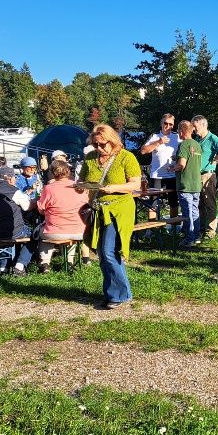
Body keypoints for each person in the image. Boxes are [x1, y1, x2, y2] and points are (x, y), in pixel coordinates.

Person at [79, 124, 142, 309]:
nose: (99, 148)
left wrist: (114, 188)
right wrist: (80, 186)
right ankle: (115, 292)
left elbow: (135, 184)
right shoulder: (90, 157)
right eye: (95, 144)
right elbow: (81, 179)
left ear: (112, 141)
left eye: (102, 144)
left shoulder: (126, 157)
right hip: (98, 209)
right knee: (102, 252)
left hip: (119, 210)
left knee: (108, 251)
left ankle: (118, 295)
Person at [0, 166, 36, 276]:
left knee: (4, 229)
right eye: (14, 177)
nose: (15, 180)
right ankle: (20, 265)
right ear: (8, 178)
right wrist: (35, 201)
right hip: (10, 231)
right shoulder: (13, 190)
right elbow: (27, 207)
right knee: (34, 236)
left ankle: (4, 267)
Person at [36, 160, 88, 272]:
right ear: (68, 171)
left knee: (41, 232)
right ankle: (70, 262)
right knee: (70, 233)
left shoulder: (48, 188)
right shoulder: (79, 187)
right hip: (79, 231)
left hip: (55, 231)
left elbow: (41, 209)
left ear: (52, 173)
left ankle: (45, 263)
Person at [192, 115, 218, 240]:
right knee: (199, 203)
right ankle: (201, 227)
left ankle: (210, 230)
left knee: (209, 202)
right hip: (197, 174)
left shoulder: (212, 138)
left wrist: (215, 159)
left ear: (203, 125)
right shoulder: (197, 139)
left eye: (195, 126)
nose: (194, 129)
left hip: (207, 174)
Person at [139, 113, 180, 219]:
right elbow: (143, 151)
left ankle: (173, 227)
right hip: (157, 175)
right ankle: (152, 228)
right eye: (166, 123)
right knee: (153, 203)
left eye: (171, 124)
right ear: (161, 123)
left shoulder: (177, 137)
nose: (168, 126)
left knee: (173, 201)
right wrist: (158, 142)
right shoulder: (155, 136)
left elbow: (186, 149)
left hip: (172, 174)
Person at [173, 120, 203, 246]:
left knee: (187, 212)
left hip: (185, 184)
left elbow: (181, 164)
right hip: (196, 184)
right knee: (195, 210)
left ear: (182, 131)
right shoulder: (197, 144)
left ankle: (189, 239)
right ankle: (196, 236)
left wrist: (171, 168)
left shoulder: (184, 144)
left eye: (179, 130)